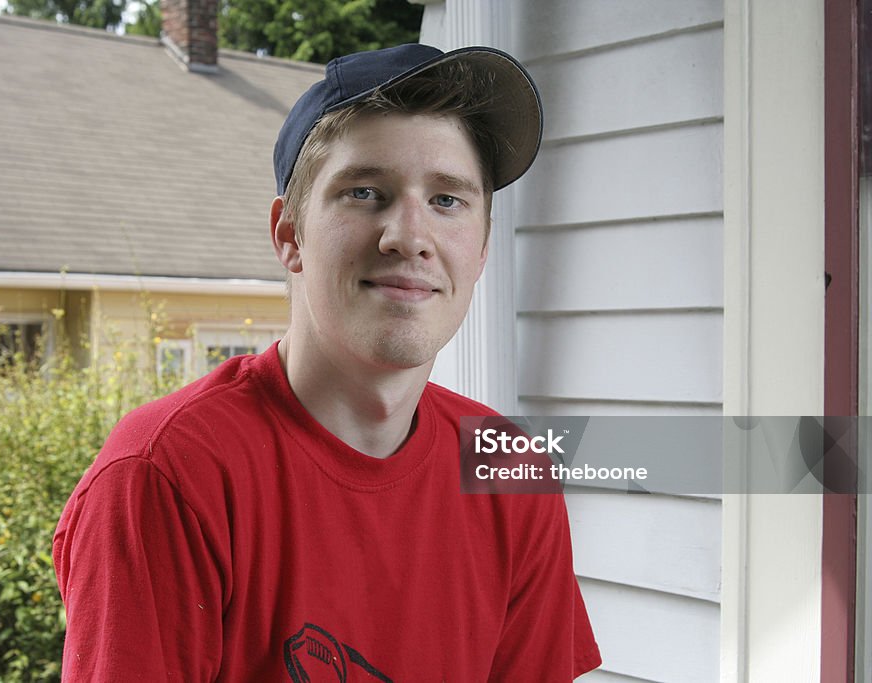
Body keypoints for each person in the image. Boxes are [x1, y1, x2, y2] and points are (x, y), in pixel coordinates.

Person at [53, 43, 601, 681]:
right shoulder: (167, 474)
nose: (409, 236)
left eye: (447, 200)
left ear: (480, 250)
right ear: (290, 236)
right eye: (365, 192)